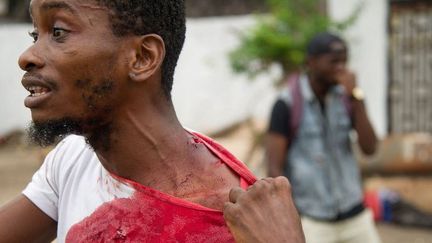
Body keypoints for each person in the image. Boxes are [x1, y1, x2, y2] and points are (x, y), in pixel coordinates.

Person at [0, 0, 304, 242]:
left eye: (58, 32)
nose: (27, 56)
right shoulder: (73, 160)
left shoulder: (233, 224)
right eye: (34, 34)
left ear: (142, 58)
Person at [266, 32, 381, 243]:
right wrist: (290, 216)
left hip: (354, 213)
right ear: (311, 62)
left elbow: (370, 148)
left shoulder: (348, 97)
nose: (341, 68)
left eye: (344, 61)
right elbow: (274, 168)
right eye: (334, 61)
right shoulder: (286, 104)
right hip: (313, 221)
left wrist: (356, 97)